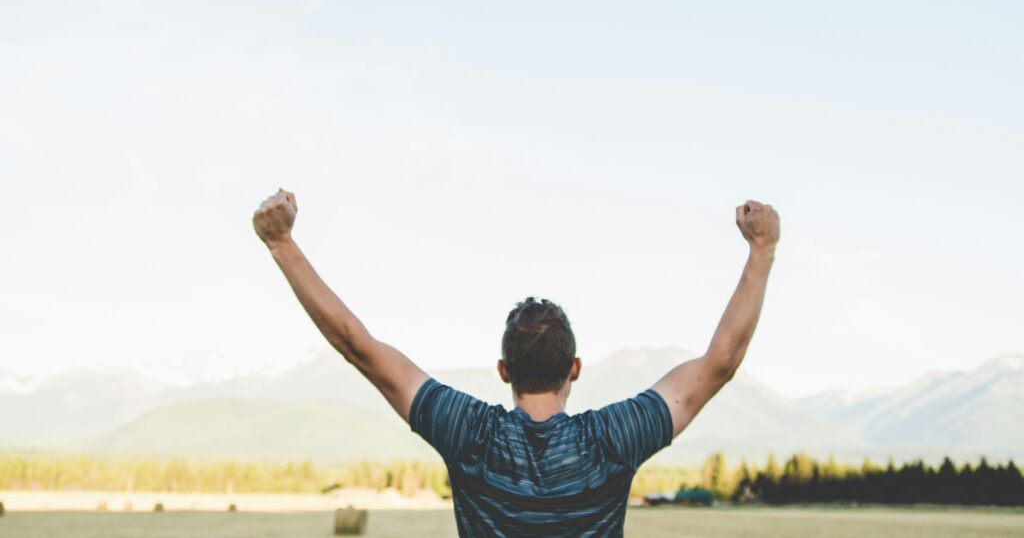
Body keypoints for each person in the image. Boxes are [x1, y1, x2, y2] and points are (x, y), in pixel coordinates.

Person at [253, 189, 780, 537]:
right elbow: (721, 362)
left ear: (503, 369)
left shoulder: (469, 434)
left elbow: (357, 346)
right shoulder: (613, 440)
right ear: (574, 367)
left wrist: (282, 244)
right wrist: (762, 249)